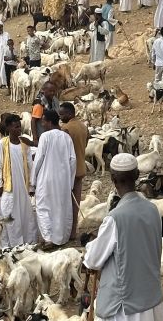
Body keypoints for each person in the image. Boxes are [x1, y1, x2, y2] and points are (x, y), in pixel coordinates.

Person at [83, 153, 163, 321]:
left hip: (126, 307)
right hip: (151, 300)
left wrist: (91, 245)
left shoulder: (114, 219)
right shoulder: (152, 209)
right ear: (136, 175)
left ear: (113, 179)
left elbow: (92, 260)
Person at [30, 109, 76, 248]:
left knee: (44, 208)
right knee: (61, 207)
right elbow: (72, 160)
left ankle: (48, 238)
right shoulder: (66, 137)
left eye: (43, 120)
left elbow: (38, 160)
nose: (42, 123)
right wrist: (70, 181)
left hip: (46, 178)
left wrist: (33, 181)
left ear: (49, 121)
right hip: (63, 180)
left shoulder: (45, 137)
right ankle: (61, 237)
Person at [0, 114, 38, 248]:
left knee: (25, 214)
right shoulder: (2, 144)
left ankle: (28, 242)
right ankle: (10, 245)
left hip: (22, 186)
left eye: (19, 126)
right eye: (15, 127)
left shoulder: (25, 143)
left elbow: (30, 164)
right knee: (8, 213)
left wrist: (31, 186)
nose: (18, 129)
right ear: (8, 128)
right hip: (8, 186)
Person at [59, 102, 88, 240]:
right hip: (81, 168)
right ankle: (73, 231)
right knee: (76, 201)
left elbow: (63, 151)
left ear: (70, 114)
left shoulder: (66, 128)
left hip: (69, 171)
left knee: (66, 202)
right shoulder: (83, 126)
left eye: (62, 114)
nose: (60, 117)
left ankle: (66, 231)